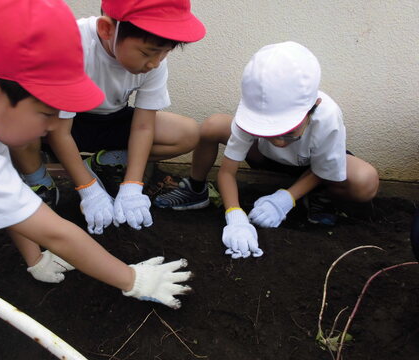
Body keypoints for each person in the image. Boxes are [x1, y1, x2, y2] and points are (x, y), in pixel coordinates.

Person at [0, 0, 193, 348]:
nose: (51, 127)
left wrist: (34, 256)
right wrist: (133, 279)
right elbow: (56, 233)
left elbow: (8, 191)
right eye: (46, 114)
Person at [155, 41, 379, 258]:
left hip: (312, 168)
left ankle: (319, 196)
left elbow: (323, 168)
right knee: (213, 125)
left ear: (313, 108)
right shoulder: (251, 112)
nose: (280, 142)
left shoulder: (328, 115)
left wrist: (285, 199)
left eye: (289, 132)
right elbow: (227, 172)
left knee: (365, 181)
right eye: (270, 131)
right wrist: (234, 214)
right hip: (264, 157)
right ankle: (196, 190)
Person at [8, 0, 206, 237]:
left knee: (188, 133)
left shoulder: (155, 64)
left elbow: (143, 126)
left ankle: (104, 162)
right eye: (147, 53)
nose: (155, 63)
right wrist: (88, 189)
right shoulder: (70, 44)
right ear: (106, 29)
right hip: (60, 123)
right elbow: (60, 131)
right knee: (18, 125)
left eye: (165, 52)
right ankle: (39, 182)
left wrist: (133, 185)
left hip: (111, 118)